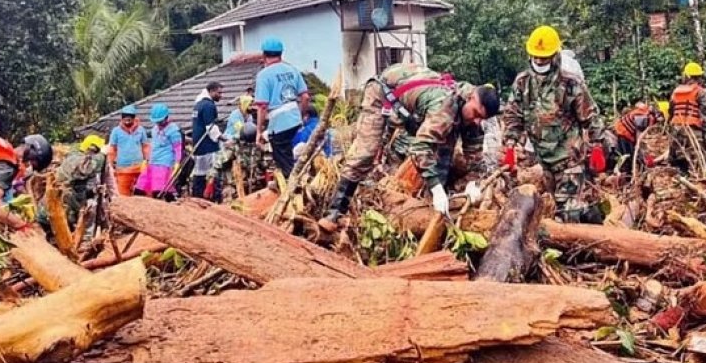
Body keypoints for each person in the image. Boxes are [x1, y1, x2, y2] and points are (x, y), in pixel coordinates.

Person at [319, 63, 499, 233]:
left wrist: (474, 184)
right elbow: (420, 148)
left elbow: (475, 159)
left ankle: (433, 209)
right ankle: (335, 211)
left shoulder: (473, 118)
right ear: (470, 98)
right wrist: (436, 189)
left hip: (414, 103)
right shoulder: (444, 108)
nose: (476, 121)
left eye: (482, 118)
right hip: (383, 92)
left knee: (444, 153)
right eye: (475, 114)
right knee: (367, 151)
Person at [502, 25, 605, 223]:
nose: (539, 61)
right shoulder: (522, 83)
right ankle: (592, 219)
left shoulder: (570, 83)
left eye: (544, 57)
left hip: (569, 158)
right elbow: (513, 115)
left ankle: (584, 241)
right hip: (544, 160)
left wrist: (598, 145)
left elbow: (590, 116)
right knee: (555, 206)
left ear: (555, 55)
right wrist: (510, 143)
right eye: (536, 57)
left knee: (567, 212)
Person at [254, 37, 310, 176]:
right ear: (281, 54)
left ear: (264, 55)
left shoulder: (263, 75)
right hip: (295, 119)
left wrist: (259, 131)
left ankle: (292, 188)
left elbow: (262, 107)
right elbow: (305, 97)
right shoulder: (292, 70)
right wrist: (302, 116)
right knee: (288, 155)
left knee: (283, 163)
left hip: (279, 124)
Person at [51, 135, 116, 238]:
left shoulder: (91, 160)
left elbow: (108, 181)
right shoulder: (76, 159)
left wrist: (109, 196)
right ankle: (83, 241)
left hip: (80, 197)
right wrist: (102, 155)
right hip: (68, 201)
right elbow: (86, 169)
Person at [668, 62, 706, 173]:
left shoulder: (675, 92)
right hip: (693, 132)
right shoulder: (702, 93)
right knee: (701, 161)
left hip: (677, 131)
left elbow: (671, 112)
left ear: (686, 76)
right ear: (699, 77)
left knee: (680, 161)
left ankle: (682, 179)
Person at [136, 104, 183, 200]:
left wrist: (177, 162)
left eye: (160, 121)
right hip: (153, 161)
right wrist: (147, 159)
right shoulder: (154, 129)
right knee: (140, 187)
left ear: (166, 117)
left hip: (164, 163)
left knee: (159, 190)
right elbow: (153, 144)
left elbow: (178, 148)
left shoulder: (173, 131)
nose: (159, 124)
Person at [191, 81, 225, 199]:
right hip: (207, 145)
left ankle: (196, 196)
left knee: (199, 172)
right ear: (211, 91)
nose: (221, 96)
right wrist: (222, 137)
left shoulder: (198, 104)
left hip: (198, 145)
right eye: (219, 93)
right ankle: (215, 198)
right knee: (212, 173)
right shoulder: (209, 106)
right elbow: (210, 127)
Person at [611, 101, 666, 173]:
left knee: (627, 154)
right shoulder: (646, 117)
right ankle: (626, 172)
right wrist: (637, 144)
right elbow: (639, 131)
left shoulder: (647, 115)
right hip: (624, 132)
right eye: (661, 119)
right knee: (627, 155)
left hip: (622, 130)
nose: (660, 121)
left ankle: (628, 170)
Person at [107, 105, 150, 196]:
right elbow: (112, 149)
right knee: (123, 196)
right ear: (122, 118)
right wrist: (110, 165)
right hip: (123, 169)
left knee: (143, 194)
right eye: (125, 117)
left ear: (134, 118)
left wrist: (147, 160)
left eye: (130, 117)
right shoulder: (116, 131)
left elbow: (145, 146)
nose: (127, 120)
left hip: (139, 168)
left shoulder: (141, 130)